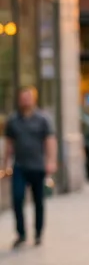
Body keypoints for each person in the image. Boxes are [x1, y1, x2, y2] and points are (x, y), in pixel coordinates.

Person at [2, 87, 57, 248]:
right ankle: (21, 233)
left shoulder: (43, 119)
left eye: (28, 97)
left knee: (38, 201)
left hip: (38, 166)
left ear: (34, 99)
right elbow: (9, 144)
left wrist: (51, 161)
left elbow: (50, 140)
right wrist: (5, 165)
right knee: (17, 199)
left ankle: (38, 232)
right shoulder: (13, 120)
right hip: (19, 166)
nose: (25, 100)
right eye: (23, 97)